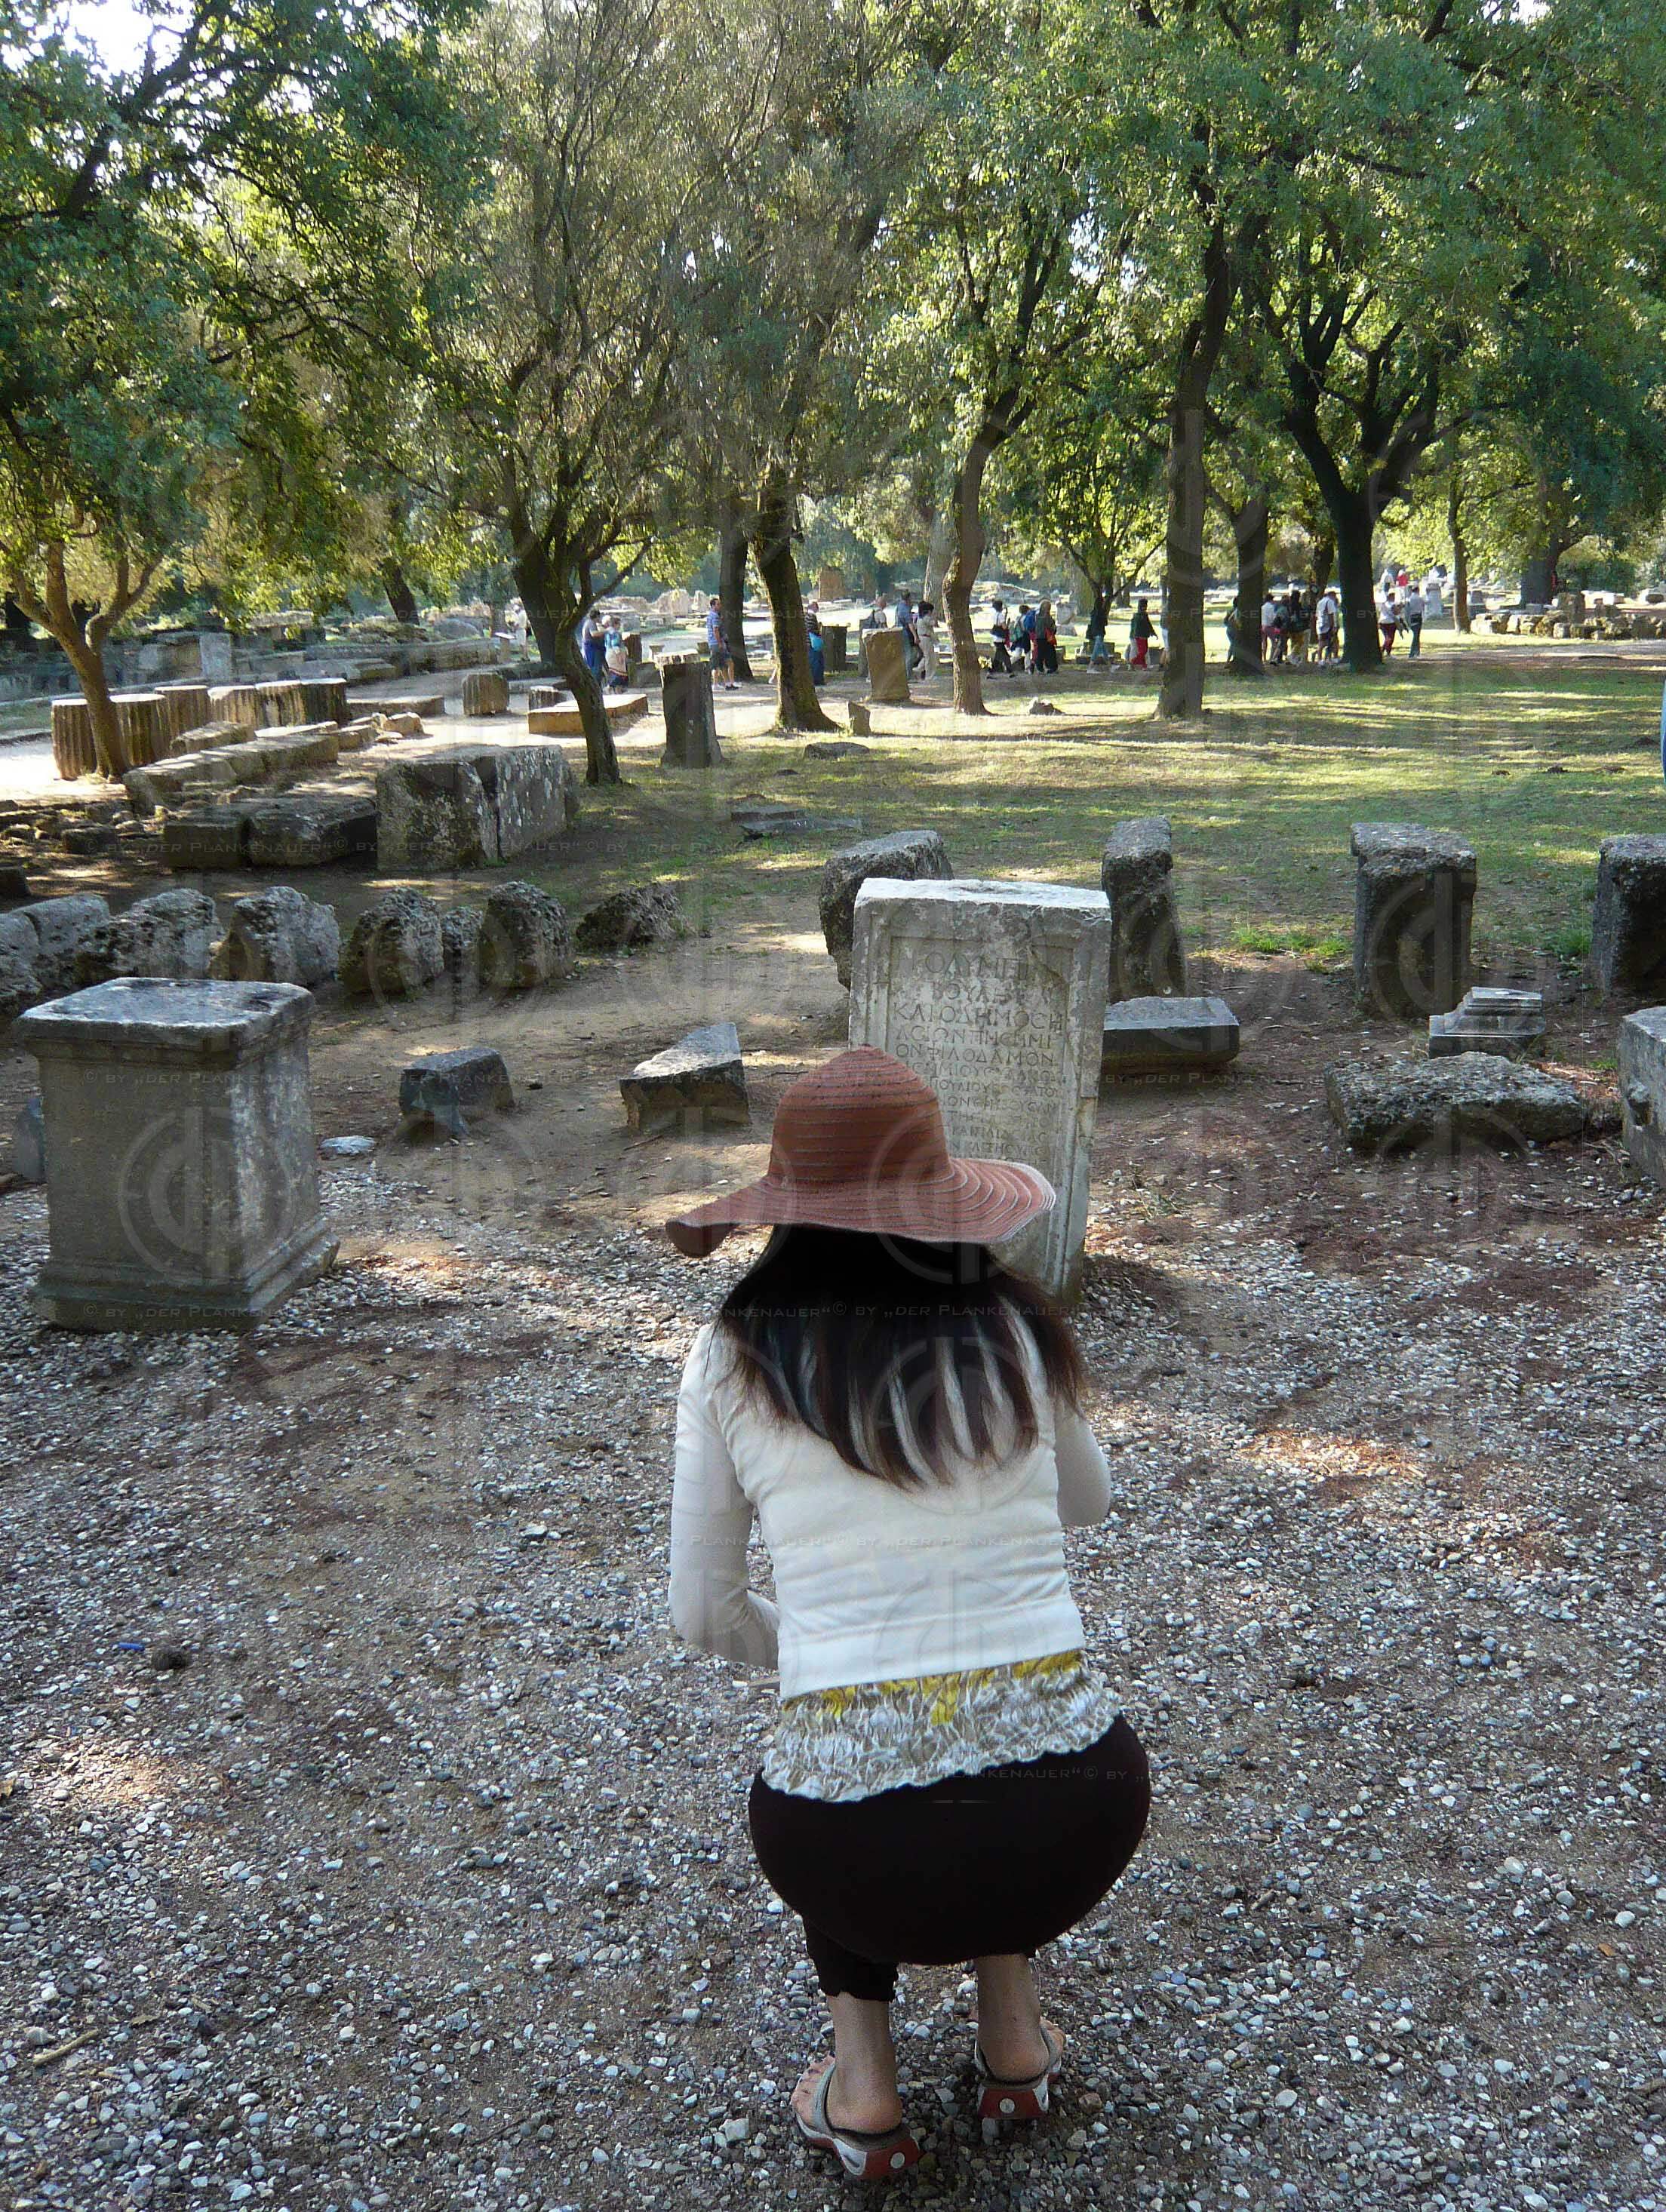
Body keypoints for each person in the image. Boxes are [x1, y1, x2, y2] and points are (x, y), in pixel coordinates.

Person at [665, 1049, 1151, 2183]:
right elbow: (1089, 1502)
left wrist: (831, 1657)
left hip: (853, 1856)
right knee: (988, 1735)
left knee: (840, 1758)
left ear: (785, 1207)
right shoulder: (1015, 1328)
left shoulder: (732, 1355)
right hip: (1080, 1817)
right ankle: (1015, 2044)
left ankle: (866, 2093)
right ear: (942, 1201)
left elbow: (702, 1610)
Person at [707, 596, 738, 690]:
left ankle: (724, 684)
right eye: (718, 604)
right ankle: (728, 683)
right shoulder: (715, 617)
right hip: (717, 643)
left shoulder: (710, 616)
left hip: (712, 643)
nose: (720, 606)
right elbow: (715, 630)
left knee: (719, 664)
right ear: (713, 606)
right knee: (727, 663)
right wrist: (720, 642)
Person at [581, 608, 607, 687]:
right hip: (591, 648)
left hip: (590, 648)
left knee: (594, 667)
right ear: (597, 616)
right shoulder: (591, 623)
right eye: (599, 617)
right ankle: (595, 686)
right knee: (595, 668)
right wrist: (606, 631)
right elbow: (594, 634)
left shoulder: (588, 622)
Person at [603, 616, 629, 692]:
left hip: (609, 653)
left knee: (616, 672)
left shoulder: (608, 632)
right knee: (618, 673)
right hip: (614, 654)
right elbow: (615, 645)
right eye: (619, 624)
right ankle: (610, 687)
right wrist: (619, 656)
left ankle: (618, 689)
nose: (620, 626)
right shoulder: (614, 633)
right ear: (615, 624)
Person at [1129, 596, 1155, 669]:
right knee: (1139, 651)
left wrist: (1152, 632)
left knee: (1142, 651)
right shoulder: (1140, 616)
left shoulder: (1142, 615)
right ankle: (1133, 663)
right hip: (1138, 636)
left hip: (1139, 636)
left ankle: (1144, 665)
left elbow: (1148, 624)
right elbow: (1139, 627)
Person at [988, 601, 1015, 674]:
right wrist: (1008, 624)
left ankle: (992, 671)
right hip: (1000, 639)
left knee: (998, 657)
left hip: (996, 638)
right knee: (1006, 656)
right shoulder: (1001, 615)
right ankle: (1010, 671)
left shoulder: (995, 615)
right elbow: (1004, 627)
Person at [914, 598, 937, 680]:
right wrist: (934, 617)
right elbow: (934, 623)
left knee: (926, 656)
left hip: (922, 638)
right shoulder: (926, 618)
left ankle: (919, 668)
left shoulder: (919, 618)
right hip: (926, 639)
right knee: (929, 658)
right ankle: (929, 675)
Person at [1286, 587, 1308, 665]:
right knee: (1300, 642)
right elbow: (1300, 615)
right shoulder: (1298, 605)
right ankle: (1292, 656)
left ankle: (1294, 658)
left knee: (1294, 642)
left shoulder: (1289, 605)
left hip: (1290, 626)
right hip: (1297, 626)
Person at [1035, 600, 1059, 675]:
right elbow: (1050, 626)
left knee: (1040, 652)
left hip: (1039, 636)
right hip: (1046, 637)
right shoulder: (1047, 616)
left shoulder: (1037, 615)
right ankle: (1052, 667)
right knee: (1050, 652)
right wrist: (1054, 628)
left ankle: (1040, 668)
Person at [1401, 582, 1425, 659]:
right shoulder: (1420, 598)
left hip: (1412, 617)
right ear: (1418, 590)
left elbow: (1407, 611)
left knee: (1416, 635)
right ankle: (1413, 652)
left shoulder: (1409, 599)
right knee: (1416, 636)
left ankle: (1417, 652)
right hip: (1418, 617)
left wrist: (1407, 620)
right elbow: (1423, 606)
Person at [1315, 588, 1340, 660]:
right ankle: (1332, 658)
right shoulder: (1330, 602)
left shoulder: (1320, 602)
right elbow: (1331, 615)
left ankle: (1321, 658)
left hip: (1321, 625)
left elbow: (1317, 614)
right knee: (1331, 642)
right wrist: (1333, 626)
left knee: (1324, 642)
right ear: (1332, 596)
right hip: (1328, 625)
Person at [806, 601, 825, 687]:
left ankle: (815, 679)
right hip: (812, 643)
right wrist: (818, 630)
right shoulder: (812, 616)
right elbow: (812, 629)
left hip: (808, 642)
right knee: (816, 662)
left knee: (813, 661)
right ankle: (817, 680)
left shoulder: (806, 615)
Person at [1260, 591, 1277, 664]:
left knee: (1264, 642)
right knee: (1274, 643)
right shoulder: (1271, 607)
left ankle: (1264, 658)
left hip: (1263, 626)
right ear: (1271, 599)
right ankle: (1271, 658)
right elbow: (1273, 617)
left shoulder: (1262, 607)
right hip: (1270, 626)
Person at [1379, 590, 1399, 656]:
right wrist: (1400, 608)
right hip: (1390, 622)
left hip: (1382, 622)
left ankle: (1382, 651)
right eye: (1393, 596)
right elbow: (1396, 612)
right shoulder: (1392, 604)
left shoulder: (1383, 604)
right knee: (1390, 638)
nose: (1394, 597)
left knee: (1387, 638)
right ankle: (1387, 652)